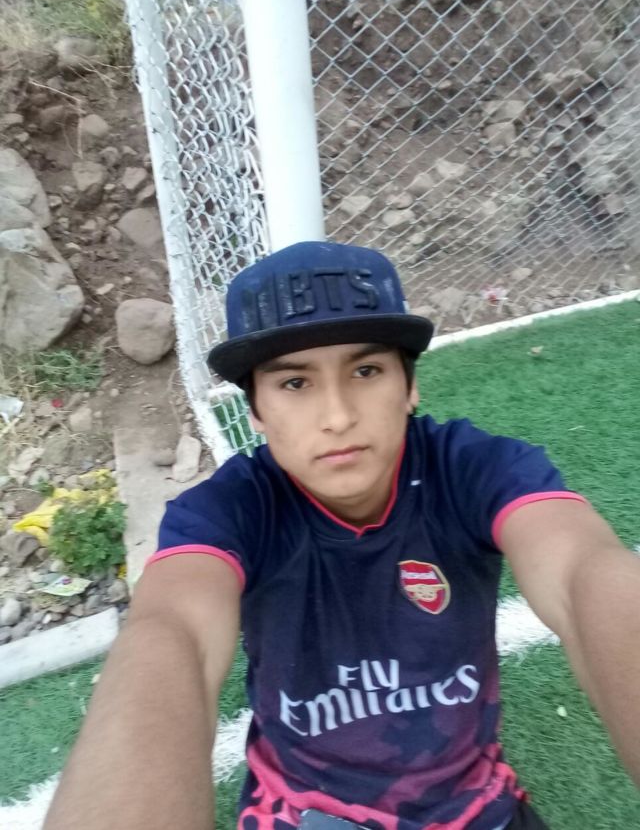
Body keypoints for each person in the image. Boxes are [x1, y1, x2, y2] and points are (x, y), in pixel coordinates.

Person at [44, 242, 640, 830]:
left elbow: (583, 573)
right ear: (255, 410)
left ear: (409, 385)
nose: (337, 416)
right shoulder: (227, 512)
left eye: (366, 370)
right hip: (306, 816)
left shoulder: (478, 469)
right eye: (294, 383)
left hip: (476, 808)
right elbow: (173, 635)